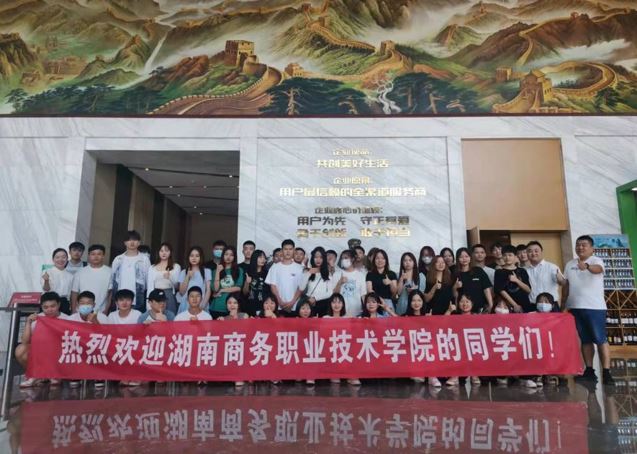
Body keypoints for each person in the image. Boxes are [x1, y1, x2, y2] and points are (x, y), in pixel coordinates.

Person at [563, 235, 614, 385]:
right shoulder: (570, 264)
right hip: (575, 307)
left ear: (592, 248)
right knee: (585, 340)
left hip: (594, 307)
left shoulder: (596, 261)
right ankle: (589, 371)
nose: (580, 247)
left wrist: (586, 266)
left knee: (600, 339)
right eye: (578, 245)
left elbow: (598, 270)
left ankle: (606, 372)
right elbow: (566, 285)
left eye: (584, 245)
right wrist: (563, 303)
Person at [16, 292, 68, 388]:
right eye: (46, 307)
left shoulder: (67, 319)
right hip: (41, 353)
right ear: (42, 307)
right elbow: (25, 341)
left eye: (53, 306)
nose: (50, 310)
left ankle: (54, 375)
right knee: (20, 350)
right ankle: (36, 375)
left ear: (59, 305)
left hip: (60, 355)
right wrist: (28, 322)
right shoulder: (38, 318)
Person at [322, 293, 362, 386]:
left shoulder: (348, 318)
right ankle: (335, 372)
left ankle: (351, 375)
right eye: (334, 302)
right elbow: (323, 335)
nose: (336, 305)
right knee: (335, 380)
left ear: (343, 304)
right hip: (331, 348)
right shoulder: (326, 318)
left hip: (344, 348)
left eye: (339, 302)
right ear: (330, 304)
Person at [404, 290, 441, 386]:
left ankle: (432, 376)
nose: (416, 303)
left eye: (419, 300)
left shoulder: (427, 315)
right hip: (411, 346)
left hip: (425, 345)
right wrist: (388, 309)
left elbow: (435, 332)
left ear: (423, 302)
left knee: (433, 346)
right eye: (414, 300)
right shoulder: (405, 316)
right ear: (410, 302)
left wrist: (430, 321)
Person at [445, 293, 481, 387]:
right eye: (462, 302)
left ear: (472, 303)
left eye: (467, 301)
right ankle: (454, 375)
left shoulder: (477, 317)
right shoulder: (454, 316)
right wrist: (449, 311)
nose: (464, 304)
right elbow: (442, 323)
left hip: (472, 345)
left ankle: (474, 374)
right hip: (457, 345)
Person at [110, 230, 151, 312]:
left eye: (135, 240)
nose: (132, 242)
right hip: (120, 298)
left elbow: (148, 280)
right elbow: (113, 279)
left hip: (137, 298)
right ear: (125, 242)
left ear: (139, 243)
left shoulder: (144, 259)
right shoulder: (118, 259)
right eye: (129, 240)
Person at [265, 239, 304, 316]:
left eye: (290, 249)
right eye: (285, 249)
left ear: (294, 250)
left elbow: (301, 288)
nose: (288, 252)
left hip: (295, 307)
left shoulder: (300, 268)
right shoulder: (275, 267)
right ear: (282, 251)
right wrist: (279, 301)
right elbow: (273, 286)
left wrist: (292, 302)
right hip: (278, 307)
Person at [70, 244, 112, 315]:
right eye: (93, 254)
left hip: (101, 311)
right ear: (89, 256)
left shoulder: (110, 272)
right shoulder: (80, 272)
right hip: (81, 311)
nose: (96, 257)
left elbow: (110, 293)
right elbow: (74, 292)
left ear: (103, 256)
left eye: (99, 254)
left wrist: (106, 310)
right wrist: (73, 310)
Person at [300, 247, 339, 317]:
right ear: (312, 258)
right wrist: (309, 273)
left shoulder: (329, 273)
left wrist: (315, 298)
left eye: (321, 257)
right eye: (316, 257)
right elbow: (301, 288)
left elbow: (331, 292)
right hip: (309, 305)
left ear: (324, 259)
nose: (318, 260)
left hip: (324, 305)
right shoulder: (308, 271)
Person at [525, 240, 566, 307]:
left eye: (536, 251)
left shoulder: (552, 267)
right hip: (532, 305)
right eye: (530, 251)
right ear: (527, 254)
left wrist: (561, 280)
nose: (533, 253)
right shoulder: (525, 270)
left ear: (541, 252)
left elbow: (563, 283)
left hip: (550, 305)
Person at [452, 248, 494, 313]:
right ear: (457, 259)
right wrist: (455, 287)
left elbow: (486, 288)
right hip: (464, 310)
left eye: (466, 256)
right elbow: (455, 296)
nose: (464, 259)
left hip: (480, 309)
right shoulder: (455, 274)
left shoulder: (478, 270)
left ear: (470, 257)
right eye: (461, 257)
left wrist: (491, 304)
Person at [494, 245, 533, 313]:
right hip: (508, 306)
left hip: (525, 304)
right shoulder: (499, 272)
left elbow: (528, 290)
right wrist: (515, 305)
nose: (507, 258)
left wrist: (516, 280)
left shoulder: (522, 271)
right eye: (505, 255)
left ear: (515, 256)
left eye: (510, 255)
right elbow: (500, 290)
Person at [210, 246, 245, 318]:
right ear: (223, 256)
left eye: (231, 255)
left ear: (234, 257)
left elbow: (238, 288)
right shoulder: (215, 271)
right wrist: (218, 272)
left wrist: (222, 290)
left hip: (232, 307)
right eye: (226, 254)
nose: (228, 257)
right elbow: (215, 289)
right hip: (217, 306)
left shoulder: (239, 270)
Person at [146, 242, 181, 314]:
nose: (164, 253)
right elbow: (149, 287)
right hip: (155, 294)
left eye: (166, 251)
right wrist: (148, 304)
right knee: (156, 317)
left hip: (169, 294)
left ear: (170, 252)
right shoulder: (152, 267)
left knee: (170, 316)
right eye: (161, 251)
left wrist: (170, 277)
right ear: (158, 252)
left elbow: (177, 286)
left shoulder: (176, 266)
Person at [177, 246, 212, 313]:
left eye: (197, 256)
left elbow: (208, 290)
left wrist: (203, 305)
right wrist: (187, 276)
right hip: (186, 304)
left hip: (201, 303)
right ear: (188, 257)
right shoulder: (183, 272)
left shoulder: (207, 271)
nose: (194, 258)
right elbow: (181, 292)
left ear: (201, 257)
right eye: (192, 256)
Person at [42, 248, 74, 315]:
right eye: (57, 257)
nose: (60, 259)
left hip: (64, 303)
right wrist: (46, 280)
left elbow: (71, 294)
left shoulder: (70, 275)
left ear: (67, 259)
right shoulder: (47, 272)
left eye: (63, 257)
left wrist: (72, 308)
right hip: (50, 303)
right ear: (53, 259)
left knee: (64, 321)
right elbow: (46, 289)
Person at [337, 250, 366, 317]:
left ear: (352, 259)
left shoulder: (360, 275)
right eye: (342, 258)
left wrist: (366, 310)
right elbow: (334, 294)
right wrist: (339, 283)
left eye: (346, 258)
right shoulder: (337, 274)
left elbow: (363, 294)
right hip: (340, 312)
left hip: (357, 312)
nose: (343, 260)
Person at [243, 249, 270, 316]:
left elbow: (269, 292)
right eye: (260, 257)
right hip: (250, 306)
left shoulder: (267, 273)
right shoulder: (248, 272)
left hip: (263, 306)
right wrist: (247, 282)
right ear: (254, 258)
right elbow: (245, 293)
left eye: (264, 257)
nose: (263, 259)